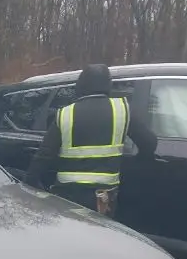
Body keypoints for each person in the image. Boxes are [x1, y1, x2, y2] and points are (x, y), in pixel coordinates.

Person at [25, 64, 157, 216]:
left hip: (68, 196)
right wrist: (138, 161)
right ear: (108, 85)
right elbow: (150, 143)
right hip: (103, 198)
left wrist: (32, 185)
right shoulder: (122, 110)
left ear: (80, 86)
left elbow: (43, 157)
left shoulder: (65, 114)